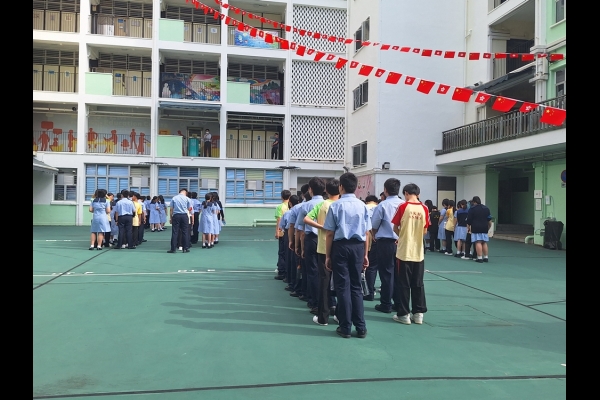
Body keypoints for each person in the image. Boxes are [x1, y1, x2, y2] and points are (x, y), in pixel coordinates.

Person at [324, 173, 371, 339]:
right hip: (358, 246)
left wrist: (328, 256)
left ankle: (345, 327)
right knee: (356, 286)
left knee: (343, 287)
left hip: (341, 246)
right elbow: (367, 232)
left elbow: (329, 233)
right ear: (356, 187)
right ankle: (361, 327)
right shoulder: (362, 206)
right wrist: (365, 254)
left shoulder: (336, 206)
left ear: (341, 187)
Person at [391, 183, 430, 325]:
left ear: (406, 193)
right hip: (418, 251)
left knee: (403, 283)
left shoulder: (403, 206)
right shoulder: (424, 208)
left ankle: (403, 314)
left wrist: (403, 236)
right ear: (418, 194)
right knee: (418, 282)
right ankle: (418, 313)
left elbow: (395, 227)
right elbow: (425, 230)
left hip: (404, 251)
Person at [304, 179, 340, 326]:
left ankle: (323, 317)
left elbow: (306, 219)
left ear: (326, 190)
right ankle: (340, 314)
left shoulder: (322, 205)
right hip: (340, 247)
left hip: (323, 247)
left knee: (324, 282)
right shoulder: (341, 204)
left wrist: (321, 226)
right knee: (342, 282)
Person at [371, 178, 404, 314]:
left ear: (385, 190)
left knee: (386, 273)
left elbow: (374, 225)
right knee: (399, 274)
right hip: (401, 242)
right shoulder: (404, 204)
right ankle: (399, 303)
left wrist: (374, 235)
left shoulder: (382, 205)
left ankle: (386, 303)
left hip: (385, 242)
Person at [295, 177, 326, 313]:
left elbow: (300, 229)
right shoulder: (328, 204)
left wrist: (299, 247)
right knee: (325, 271)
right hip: (326, 238)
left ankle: (314, 301)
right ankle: (328, 301)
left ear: (310, 190)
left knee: (312, 271)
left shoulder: (306, 205)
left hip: (311, 239)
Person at [466, 196, 493, 263]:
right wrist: (488, 227)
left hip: (476, 227)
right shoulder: (486, 208)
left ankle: (479, 257)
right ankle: (486, 257)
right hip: (484, 227)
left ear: (474, 202)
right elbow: (489, 219)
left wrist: (468, 227)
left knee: (478, 242)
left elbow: (469, 220)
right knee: (484, 242)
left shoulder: (472, 209)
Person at [363, 195, 380, 301]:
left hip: (365, 237)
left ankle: (368, 291)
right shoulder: (379, 207)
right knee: (375, 267)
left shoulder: (363, 207)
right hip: (378, 238)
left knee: (368, 267)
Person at [168, 189, 193, 253]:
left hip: (176, 215)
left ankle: (173, 249)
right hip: (184, 215)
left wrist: (171, 218)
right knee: (185, 232)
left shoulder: (174, 198)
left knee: (175, 232)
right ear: (185, 193)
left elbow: (171, 209)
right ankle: (185, 248)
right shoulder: (187, 199)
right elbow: (189, 209)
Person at [274, 190, 292, 280]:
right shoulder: (291, 205)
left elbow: (279, 220)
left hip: (282, 231)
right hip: (291, 231)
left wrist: (277, 231)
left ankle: (281, 271)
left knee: (281, 252)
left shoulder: (280, 207)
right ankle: (287, 270)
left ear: (281, 197)